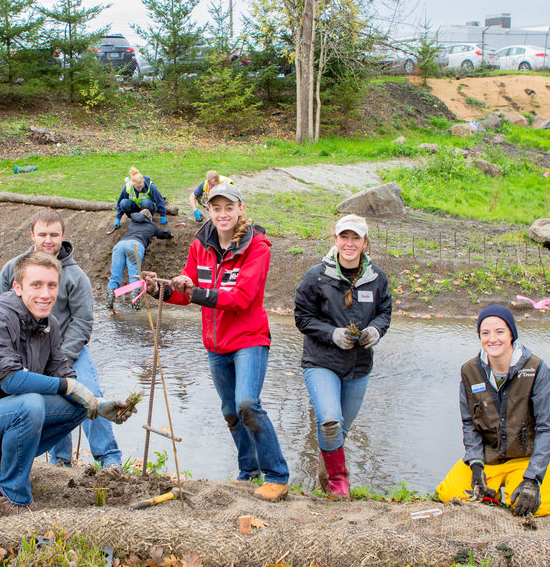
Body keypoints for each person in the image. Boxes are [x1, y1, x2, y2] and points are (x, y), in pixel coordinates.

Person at [0, 251, 135, 516]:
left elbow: (63, 373)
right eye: (36, 285)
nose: (45, 293)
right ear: (17, 287)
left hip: (1, 419)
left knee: (76, 405)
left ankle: (6, 466)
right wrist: (68, 388)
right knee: (30, 403)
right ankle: (11, 498)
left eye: (51, 285)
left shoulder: (49, 324)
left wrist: (96, 404)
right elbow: (12, 381)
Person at [141, 183, 290, 502]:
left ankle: (277, 475)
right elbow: (184, 290)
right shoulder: (200, 244)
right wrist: (160, 289)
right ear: (208, 210)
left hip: (250, 340)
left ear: (240, 210)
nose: (222, 214)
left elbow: (242, 298)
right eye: (216, 208)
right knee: (230, 411)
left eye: (229, 208)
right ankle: (248, 472)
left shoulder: (258, 248)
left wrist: (193, 291)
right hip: (216, 343)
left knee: (247, 403)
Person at [0, 210, 123, 469]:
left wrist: (63, 357)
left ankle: (109, 459)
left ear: (63, 236)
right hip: (26, 354)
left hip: (68, 352)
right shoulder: (13, 269)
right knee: (46, 403)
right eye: (42, 234)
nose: (48, 240)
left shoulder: (76, 277)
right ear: (32, 236)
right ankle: (60, 460)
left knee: (89, 396)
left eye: (54, 234)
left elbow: (83, 322)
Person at [435, 306, 550, 518]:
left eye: (499, 331)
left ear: (511, 334)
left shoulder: (538, 369)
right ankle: (490, 492)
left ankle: (521, 485)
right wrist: (476, 464)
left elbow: (547, 429)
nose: (492, 339)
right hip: (491, 456)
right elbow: (469, 424)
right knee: (449, 494)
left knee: (534, 506)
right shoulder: (470, 371)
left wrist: (532, 479)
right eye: (485, 333)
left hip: (529, 456)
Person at [294, 214, 391, 499]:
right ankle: (340, 483)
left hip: (359, 366)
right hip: (321, 361)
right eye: (344, 237)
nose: (349, 243)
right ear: (335, 240)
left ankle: (326, 470)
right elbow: (302, 318)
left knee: (341, 430)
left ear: (365, 243)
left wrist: (376, 330)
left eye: (356, 238)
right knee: (330, 421)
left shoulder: (377, 278)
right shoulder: (316, 276)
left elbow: (385, 312)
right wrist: (333, 334)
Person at [107, 209, 173, 312]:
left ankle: (109, 306)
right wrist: (170, 234)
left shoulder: (132, 223)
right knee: (134, 277)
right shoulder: (151, 225)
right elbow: (162, 233)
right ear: (150, 218)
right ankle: (135, 308)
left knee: (115, 276)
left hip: (120, 245)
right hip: (135, 245)